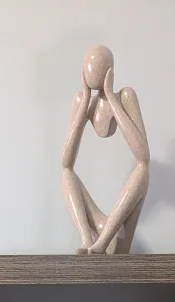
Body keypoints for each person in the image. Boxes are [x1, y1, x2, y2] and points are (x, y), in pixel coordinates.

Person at [62, 45, 150, 254]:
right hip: (95, 228)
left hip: (118, 234)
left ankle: (102, 244)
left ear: (110, 71)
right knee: (66, 172)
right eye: (89, 68)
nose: (94, 72)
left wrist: (111, 97)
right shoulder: (80, 101)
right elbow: (66, 163)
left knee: (143, 169)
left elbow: (143, 156)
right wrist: (83, 105)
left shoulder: (125, 96)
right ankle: (86, 239)